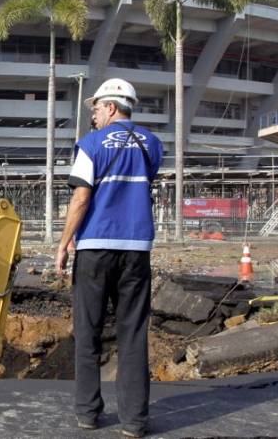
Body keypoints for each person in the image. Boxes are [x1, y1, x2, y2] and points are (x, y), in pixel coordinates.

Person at [54, 78, 163, 438]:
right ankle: (134, 421)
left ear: (112, 107)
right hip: (136, 251)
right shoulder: (153, 144)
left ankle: (88, 413)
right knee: (133, 334)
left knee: (88, 332)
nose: (95, 115)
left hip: (95, 249)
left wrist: (63, 242)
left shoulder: (90, 145)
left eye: (97, 108)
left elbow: (81, 198)